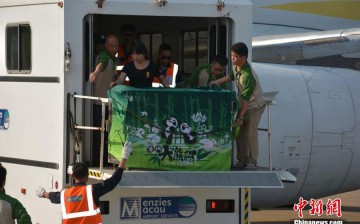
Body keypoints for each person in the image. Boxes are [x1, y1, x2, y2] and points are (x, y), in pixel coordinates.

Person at [36, 141, 133, 224]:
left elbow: (53, 196)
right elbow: (113, 181)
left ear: (73, 176)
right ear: (87, 176)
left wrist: (43, 194)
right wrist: (124, 157)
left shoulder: (64, 194)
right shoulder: (92, 191)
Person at [211, 42, 266, 170]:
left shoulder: (247, 75)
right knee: (239, 133)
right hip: (245, 105)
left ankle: (252, 162)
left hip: (254, 106)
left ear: (243, 57)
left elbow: (247, 98)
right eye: (231, 56)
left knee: (250, 134)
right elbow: (231, 76)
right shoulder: (237, 68)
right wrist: (218, 81)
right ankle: (242, 161)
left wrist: (240, 116)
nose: (232, 59)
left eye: (235, 57)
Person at [89, 34, 120, 167]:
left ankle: (105, 159)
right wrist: (95, 72)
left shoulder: (114, 59)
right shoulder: (105, 56)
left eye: (116, 46)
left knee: (105, 132)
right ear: (106, 46)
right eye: (111, 46)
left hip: (108, 102)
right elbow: (101, 64)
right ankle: (98, 161)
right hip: (100, 103)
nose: (114, 48)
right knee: (100, 133)